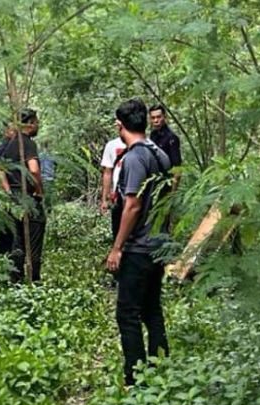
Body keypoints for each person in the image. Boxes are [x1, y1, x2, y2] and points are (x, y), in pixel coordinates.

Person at [106, 99, 172, 386]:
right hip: (158, 244)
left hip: (138, 248)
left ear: (120, 126)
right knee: (151, 308)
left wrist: (117, 247)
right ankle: (160, 366)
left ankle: (135, 378)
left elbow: (132, 206)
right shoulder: (160, 154)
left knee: (128, 314)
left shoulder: (134, 158)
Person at [0, 108, 45, 283]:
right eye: (36, 122)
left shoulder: (10, 143)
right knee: (34, 240)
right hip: (28, 198)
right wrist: (38, 190)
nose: (38, 125)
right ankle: (34, 281)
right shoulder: (27, 143)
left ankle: (15, 280)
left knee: (17, 242)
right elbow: (34, 169)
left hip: (13, 200)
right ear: (30, 123)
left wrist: (8, 190)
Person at [0, 122, 17, 256]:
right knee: (7, 227)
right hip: (6, 194)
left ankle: (7, 255)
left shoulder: (10, 146)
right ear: (7, 132)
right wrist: (7, 191)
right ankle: (5, 255)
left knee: (9, 227)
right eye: (13, 131)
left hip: (8, 192)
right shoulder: (5, 148)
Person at [100, 133, 126, 240]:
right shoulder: (111, 145)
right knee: (117, 227)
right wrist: (105, 199)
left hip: (138, 194)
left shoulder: (144, 144)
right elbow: (107, 172)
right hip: (118, 194)